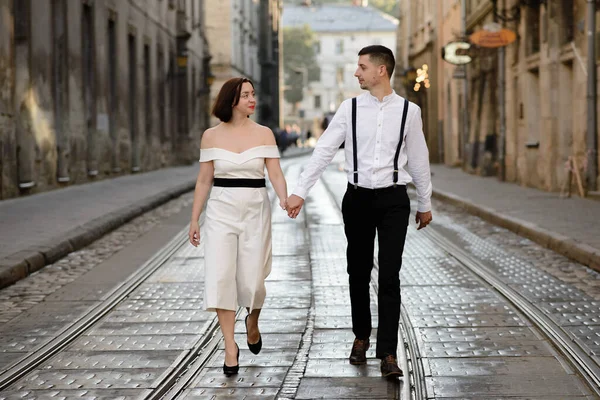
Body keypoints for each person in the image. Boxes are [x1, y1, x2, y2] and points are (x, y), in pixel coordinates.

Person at [286, 45, 433, 379]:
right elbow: (324, 150)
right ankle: (361, 336)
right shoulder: (348, 109)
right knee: (358, 270)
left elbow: (419, 159)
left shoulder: (409, 112)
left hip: (395, 199)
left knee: (391, 274)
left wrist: (425, 203)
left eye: (362, 67)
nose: (356, 72)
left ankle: (389, 353)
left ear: (381, 70)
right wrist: (300, 191)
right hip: (358, 200)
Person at [188, 77, 288, 376]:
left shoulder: (265, 134)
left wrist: (285, 199)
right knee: (220, 277)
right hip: (221, 209)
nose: (252, 99)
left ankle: (252, 320)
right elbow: (204, 179)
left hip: (256, 208)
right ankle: (230, 346)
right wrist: (195, 218)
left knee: (254, 281)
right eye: (246, 95)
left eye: (253, 94)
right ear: (231, 100)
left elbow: (276, 174)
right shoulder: (211, 136)